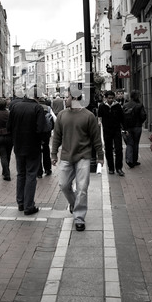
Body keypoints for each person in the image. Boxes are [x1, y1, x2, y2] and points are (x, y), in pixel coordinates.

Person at [51, 92, 104, 232]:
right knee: (63, 184)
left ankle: (79, 218)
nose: (65, 100)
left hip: (83, 156)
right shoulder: (62, 115)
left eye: (67, 97)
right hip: (66, 156)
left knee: (82, 188)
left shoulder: (88, 116)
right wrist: (53, 153)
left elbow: (96, 138)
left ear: (74, 98)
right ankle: (74, 204)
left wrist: (100, 156)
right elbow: (56, 136)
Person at [7, 86, 46, 215]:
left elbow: (9, 127)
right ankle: (29, 205)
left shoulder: (15, 107)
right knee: (31, 175)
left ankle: (21, 203)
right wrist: (41, 142)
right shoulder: (37, 108)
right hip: (33, 147)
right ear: (37, 97)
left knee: (21, 174)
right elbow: (41, 129)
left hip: (18, 146)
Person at [98, 90, 125, 177]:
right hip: (107, 130)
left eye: (112, 98)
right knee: (108, 149)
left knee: (118, 149)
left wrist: (124, 129)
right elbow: (99, 118)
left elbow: (122, 118)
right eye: (109, 98)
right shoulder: (102, 106)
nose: (111, 100)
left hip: (116, 130)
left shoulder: (117, 106)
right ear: (106, 98)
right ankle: (111, 168)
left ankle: (119, 168)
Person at [123, 90, 147, 168]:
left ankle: (129, 159)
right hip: (137, 127)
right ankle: (134, 160)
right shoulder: (139, 105)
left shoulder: (125, 105)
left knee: (130, 143)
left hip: (128, 127)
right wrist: (140, 122)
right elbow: (143, 116)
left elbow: (122, 117)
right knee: (136, 143)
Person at [38, 97, 56, 178]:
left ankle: (39, 172)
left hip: (37, 133)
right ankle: (48, 169)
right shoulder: (48, 108)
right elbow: (54, 119)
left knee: (37, 152)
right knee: (46, 150)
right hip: (46, 133)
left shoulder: (35, 107)